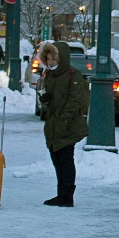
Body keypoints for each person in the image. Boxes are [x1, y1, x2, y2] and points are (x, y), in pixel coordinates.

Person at [37, 40, 89, 206]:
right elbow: (51, 100)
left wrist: (65, 118)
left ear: (62, 59)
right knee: (57, 158)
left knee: (65, 159)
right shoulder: (50, 75)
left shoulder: (73, 75)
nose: (51, 62)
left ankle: (67, 196)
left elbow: (77, 99)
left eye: (54, 59)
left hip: (67, 125)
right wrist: (45, 99)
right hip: (54, 124)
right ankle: (62, 194)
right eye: (49, 59)